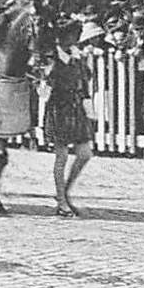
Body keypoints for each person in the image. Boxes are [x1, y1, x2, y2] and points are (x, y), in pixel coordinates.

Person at [42, 20, 101, 218]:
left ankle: (65, 192)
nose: (73, 40)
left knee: (85, 154)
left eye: (75, 36)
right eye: (69, 36)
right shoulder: (53, 58)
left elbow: (85, 85)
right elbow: (44, 90)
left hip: (76, 109)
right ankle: (61, 200)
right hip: (59, 108)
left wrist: (90, 112)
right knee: (62, 157)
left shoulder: (77, 57)